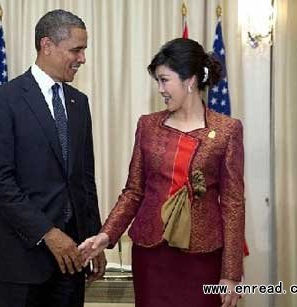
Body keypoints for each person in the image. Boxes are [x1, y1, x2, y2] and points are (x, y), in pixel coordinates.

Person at [79, 38, 245, 307]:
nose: (160, 89)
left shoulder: (227, 130)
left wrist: (230, 273)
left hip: (202, 257)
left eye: (164, 80)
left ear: (189, 81)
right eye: (158, 81)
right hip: (151, 255)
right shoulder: (148, 125)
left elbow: (233, 204)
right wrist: (105, 235)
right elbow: (133, 191)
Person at [0, 9, 106, 307]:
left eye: (84, 50)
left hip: (73, 260)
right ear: (47, 45)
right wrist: (47, 233)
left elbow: (84, 180)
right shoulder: (4, 99)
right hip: (22, 259)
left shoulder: (79, 103)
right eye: (76, 50)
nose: (82, 59)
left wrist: (95, 238)